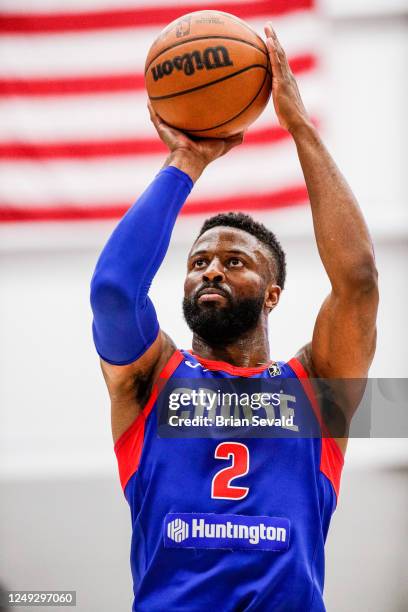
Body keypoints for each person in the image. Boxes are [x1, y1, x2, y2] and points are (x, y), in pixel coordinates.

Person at [90, 23, 378, 612]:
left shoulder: (315, 389)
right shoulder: (152, 380)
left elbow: (359, 284)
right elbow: (115, 292)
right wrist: (186, 161)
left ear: (273, 295)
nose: (211, 271)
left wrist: (299, 126)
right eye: (198, 261)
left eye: (234, 261)